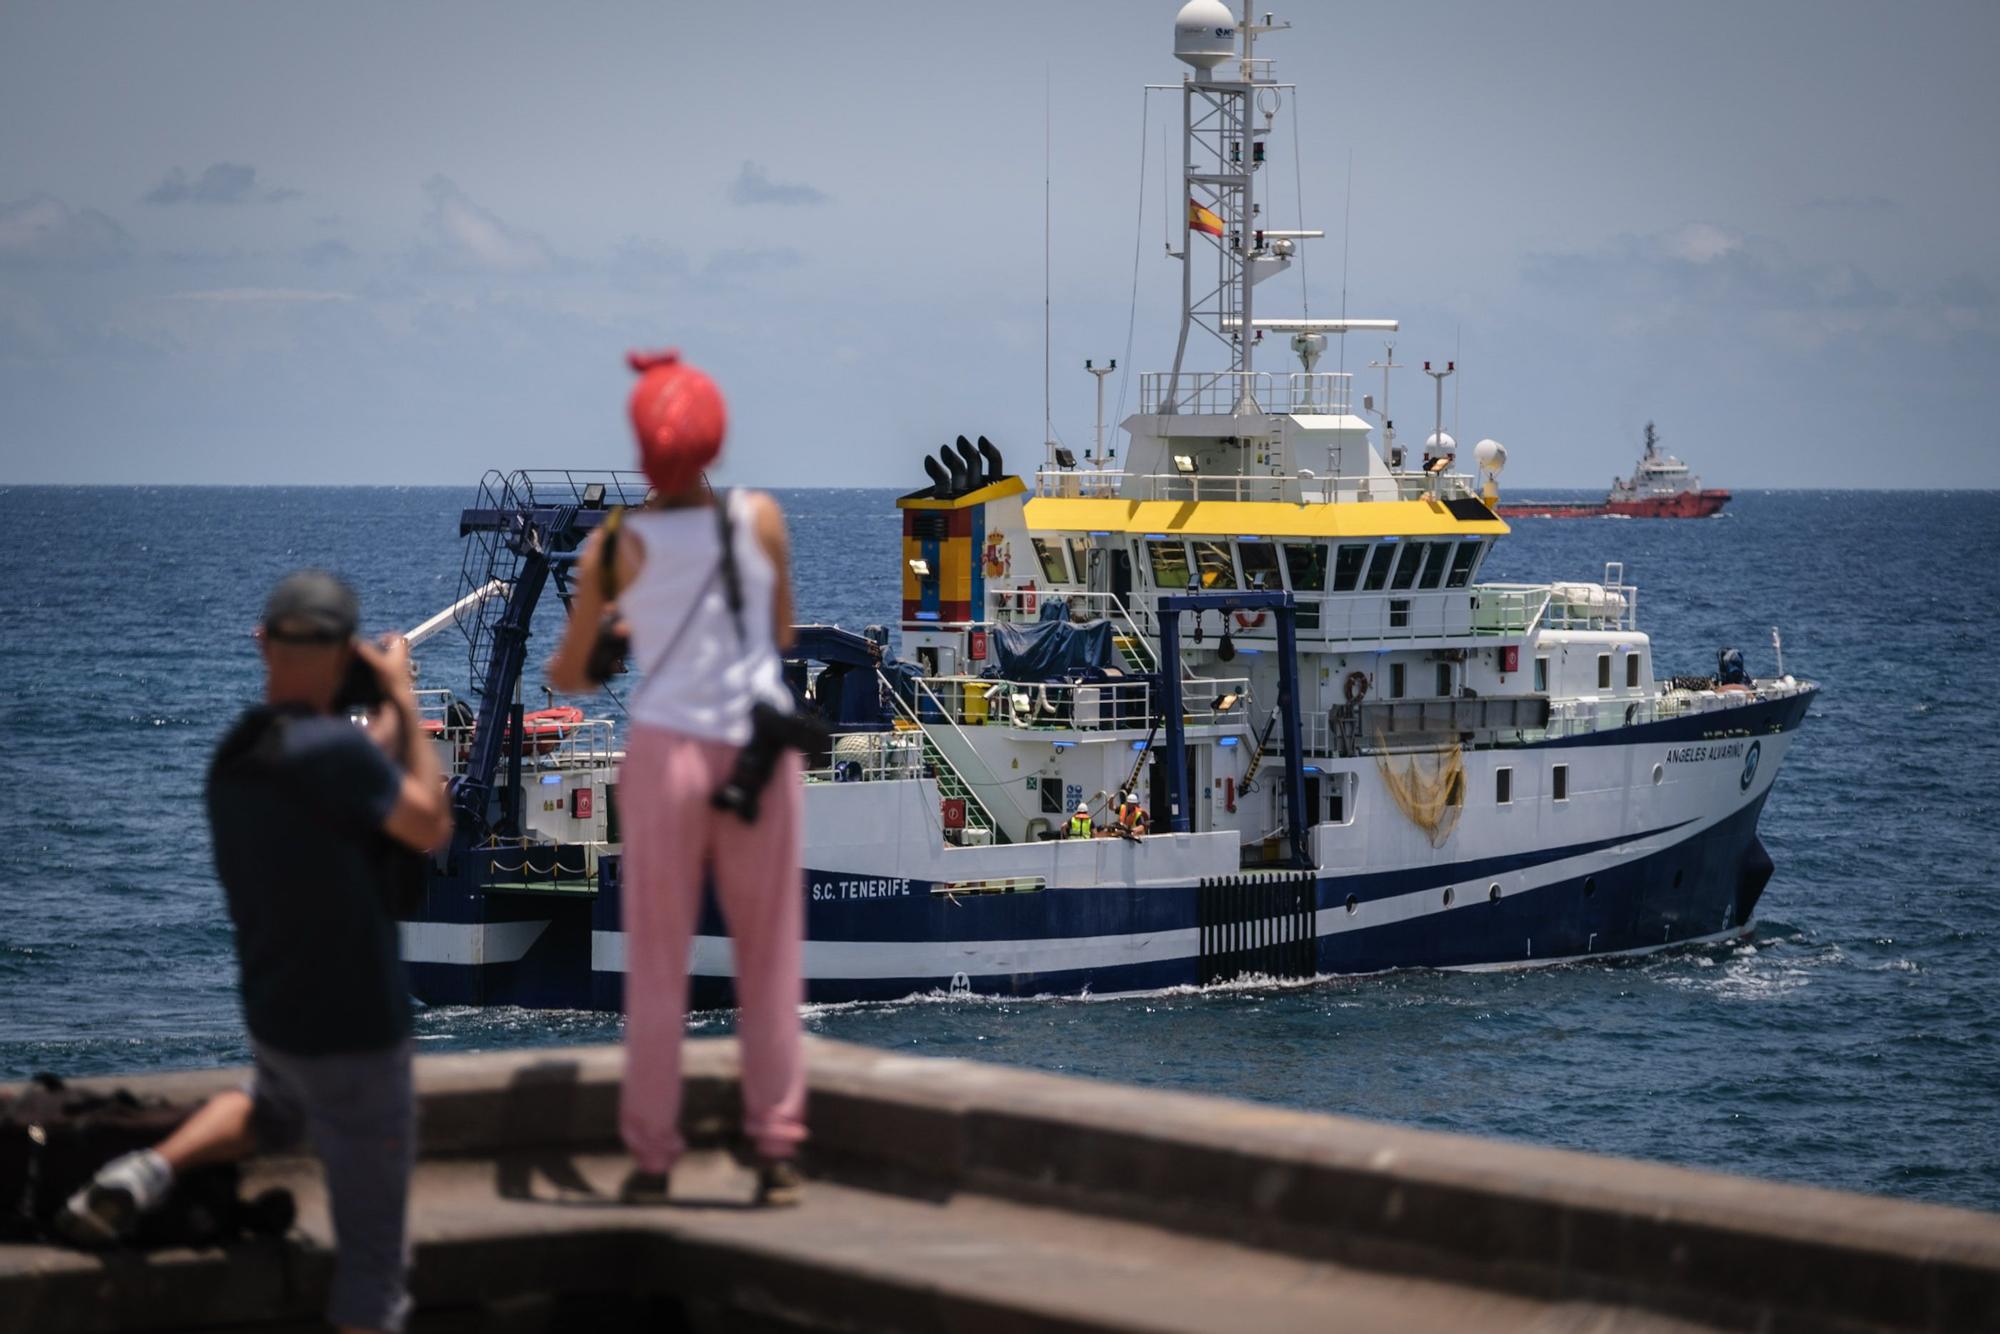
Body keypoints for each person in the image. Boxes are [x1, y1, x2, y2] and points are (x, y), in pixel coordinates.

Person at [58, 571, 454, 1334]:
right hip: (358, 1030)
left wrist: (371, 717)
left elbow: (343, 771)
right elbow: (428, 824)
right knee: (374, 1265)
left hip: (276, 1014)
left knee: (275, 1110)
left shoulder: (238, 759)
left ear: (262, 642)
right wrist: (401, 697)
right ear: (345, 651)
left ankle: (149, 1171)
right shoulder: (339, 757)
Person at [547, 348, 806, 1208]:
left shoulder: (615, 546)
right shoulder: (760, 520)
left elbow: (574, 675)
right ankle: (774, 1151)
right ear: (716, 440)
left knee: (655, 966)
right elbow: (779, 632)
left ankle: (654, 1157)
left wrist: (620, 630)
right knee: (768, 960)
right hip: (758, 752)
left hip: (665, 755)